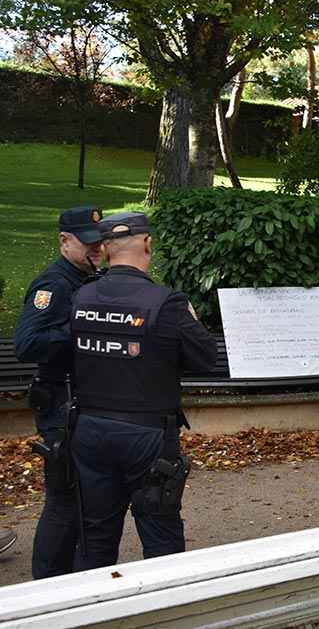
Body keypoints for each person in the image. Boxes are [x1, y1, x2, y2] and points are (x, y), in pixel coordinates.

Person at [70, 212, 217, 571]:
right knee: (160, 535)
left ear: (105, 251)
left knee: (95, 536)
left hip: (89, 431)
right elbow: (205, 358)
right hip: (147, 437)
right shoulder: (165, 302)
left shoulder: (80, 297)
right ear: (148, 244)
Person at [13, 205, 103, 579]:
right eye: (89, 244)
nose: (97, 250)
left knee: (86, 501)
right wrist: (82, 327)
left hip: (80, 405)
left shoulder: (86, 278)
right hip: (59, 410)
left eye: (100, 243)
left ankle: (74, 581)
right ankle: (47, 586)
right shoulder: (53, 284)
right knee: (64, 501)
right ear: (65, 241)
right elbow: (27, 343)